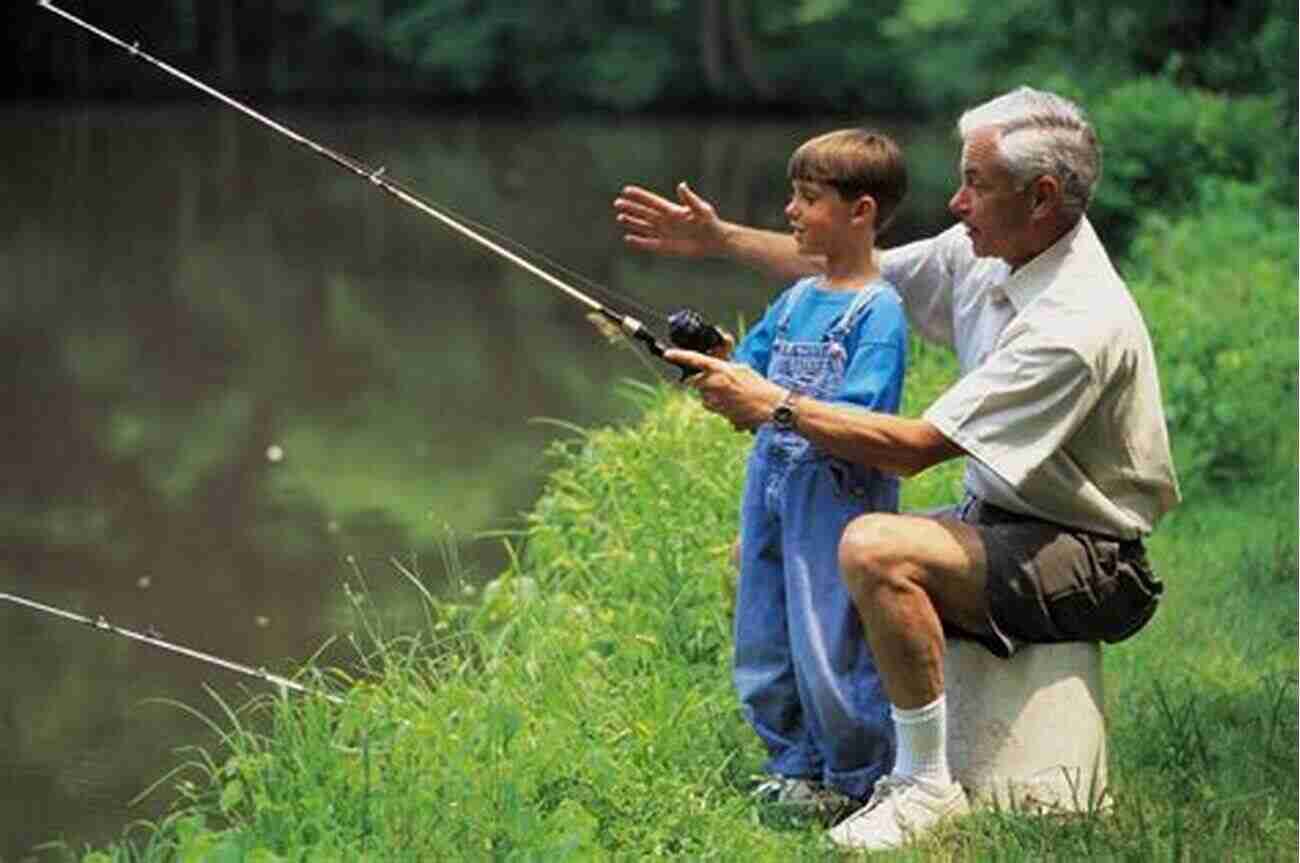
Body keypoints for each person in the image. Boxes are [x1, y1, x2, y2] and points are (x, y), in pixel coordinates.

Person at [614, 86, 1179, 851]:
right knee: (815, 550)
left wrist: (775, 402)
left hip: (1090, 556)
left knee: (875, 546)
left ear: (1041, 196)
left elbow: (915, 446)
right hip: (1005, 523)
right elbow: (851, 260)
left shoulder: (1073, 322)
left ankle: (920, 785)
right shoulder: (989, 250)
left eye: (975, 183)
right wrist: (719, 238)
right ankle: (826, 762)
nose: (956, 200)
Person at [719, 128, 910, 820]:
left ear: (860, 212)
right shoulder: (798, 298)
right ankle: (791, 762)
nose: (790, 212)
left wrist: (769, 402)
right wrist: (710, 362)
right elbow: (750, 367)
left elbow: (861, 419)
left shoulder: (879, 311)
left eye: (807, 198)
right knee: (764, 625)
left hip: (834, 498)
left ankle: (855, 774)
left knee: (827, 631)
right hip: (768, 486)